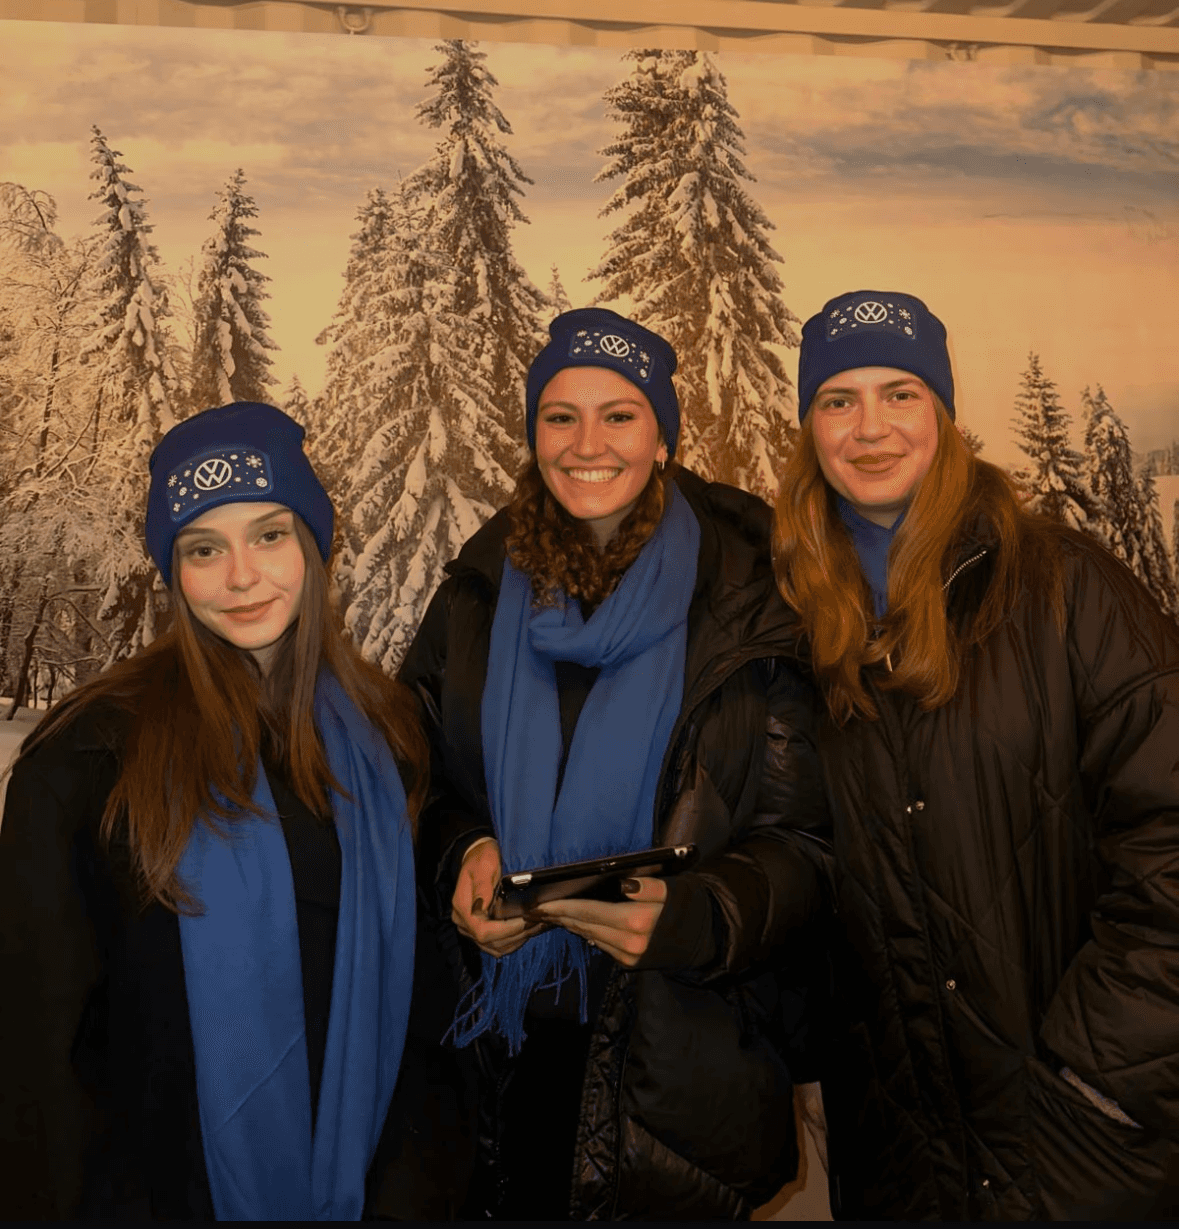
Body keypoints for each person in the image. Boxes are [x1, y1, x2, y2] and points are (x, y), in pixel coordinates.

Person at [400, 308, 829, 1221]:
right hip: (497, 1048)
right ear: (533, 434)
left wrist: (697, 917)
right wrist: (460, 849)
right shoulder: (478, 587)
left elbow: (804, 842)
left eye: (619, 414)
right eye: (560, 416)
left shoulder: (752, 593)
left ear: (663, 435)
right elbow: (414, 774)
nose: (586, 443)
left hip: (674, 1053)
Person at [770, 288, 1179, 1221]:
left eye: (899, 392)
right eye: (837, 399)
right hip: (903, 1158)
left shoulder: (1066, 586)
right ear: (810, 428)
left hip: (1082, 1151)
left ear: (944, 414)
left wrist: (1096, 1073)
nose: (869, 426)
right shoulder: (798, 625)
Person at [0, 402, 434, 1221]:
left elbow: (415, 1007)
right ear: (175, 569)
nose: (240, 576)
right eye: (204, 547)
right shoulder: (89, 758)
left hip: (358, 1184)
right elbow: (37, 1058)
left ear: (313, 545)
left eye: (269, 534)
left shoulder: (386, 739)